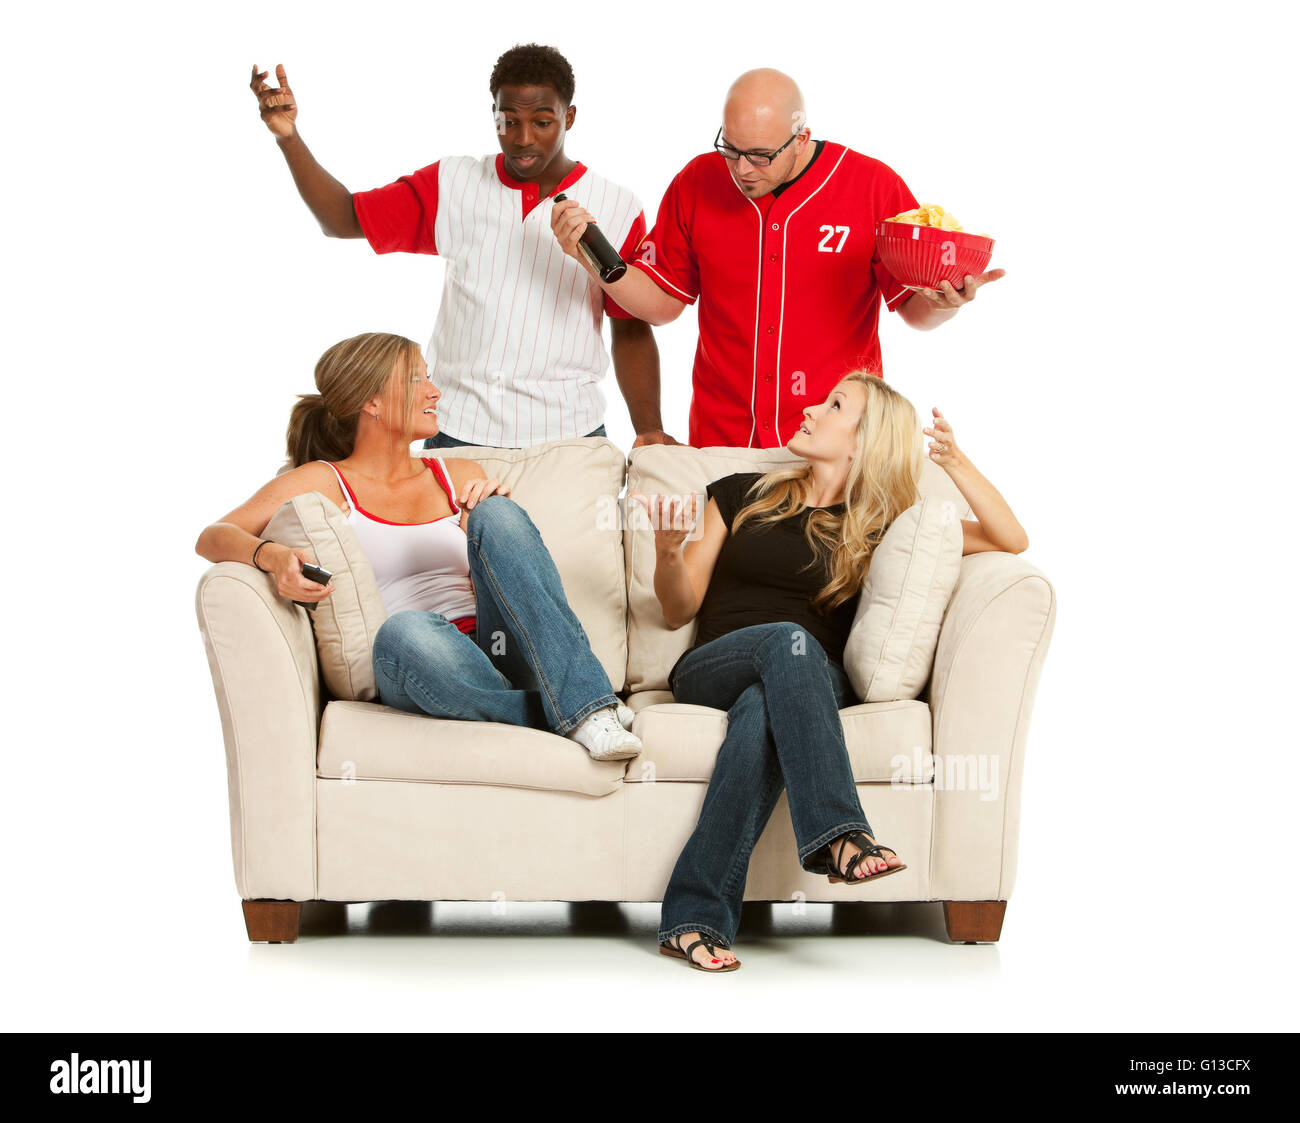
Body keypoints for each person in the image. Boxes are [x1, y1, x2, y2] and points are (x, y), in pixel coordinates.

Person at [629, 369, 1029, 971]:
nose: (811, 408)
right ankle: (840, 833)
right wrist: (665, 551)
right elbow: (679, 605)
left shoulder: (884, 526)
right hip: (715, 665)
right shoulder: (738, 492)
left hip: (810, 683)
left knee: (764, 711)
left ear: (862, 441)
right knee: (787, 642)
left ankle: (693, 919)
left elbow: (1011, 539)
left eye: (834, 405)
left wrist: (958, 464)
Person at [195, 332, 642, 762]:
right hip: (424, 659)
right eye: (417, 379)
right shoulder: (323, 480)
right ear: (370, 402)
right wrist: (271, 557)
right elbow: (213, 535)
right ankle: (576, 712)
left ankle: (582, 705)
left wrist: (481, 532)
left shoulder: (457, 471)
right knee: (405, 632)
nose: (435, 392)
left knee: (497, 515)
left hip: (501, 646)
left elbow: (524, 588)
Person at [250, 44, 679, 450]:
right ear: (493, 115)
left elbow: (630, 328)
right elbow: (341, 219)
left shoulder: (618, 206)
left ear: (569, 117)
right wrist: (288, 137)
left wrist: (650, 431)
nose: (523, 137)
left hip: (569, 433)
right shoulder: (453, 183)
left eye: (542, 121)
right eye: (508, 120)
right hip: (458, 429)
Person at [552, 68, 1006, 449]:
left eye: (761, 155)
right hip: (722, 441)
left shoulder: (873, 187)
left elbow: (914, 311)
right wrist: (589, 256)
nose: (743, 169)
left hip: (834, 447)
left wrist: (944, 304)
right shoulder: (696, 181)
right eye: (730, 149)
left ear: (801, 137)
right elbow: (662, 305)